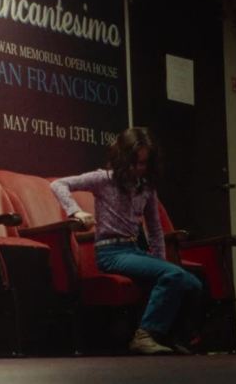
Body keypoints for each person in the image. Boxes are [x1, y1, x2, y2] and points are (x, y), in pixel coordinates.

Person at [50, 127, 202, 354]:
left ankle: (172, 336)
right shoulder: (104, 179)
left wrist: (160, 264)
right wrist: (75, 211)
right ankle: (145, 335)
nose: (138, 168)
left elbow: (154, 229)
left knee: (193, 284)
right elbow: (58, 184)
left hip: (134, 250)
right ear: (123, 158)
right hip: (110, 252)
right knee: (174, 275)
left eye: (144, 163)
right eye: (134, 162)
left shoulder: (146, 187)